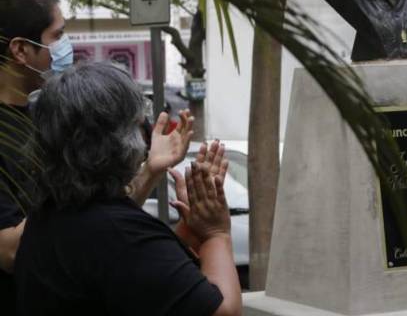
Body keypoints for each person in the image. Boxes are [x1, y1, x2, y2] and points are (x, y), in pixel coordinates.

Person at [0, 0, 193, 315]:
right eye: (57, 36)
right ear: (20, 50)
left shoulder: (53, 112)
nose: (66, 46)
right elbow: (12, 252)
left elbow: (92, 215)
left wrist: (150, 169)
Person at [14, 62, 241, 315]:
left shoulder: (49, 215)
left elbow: (141, 270)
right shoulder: (115, 233)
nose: (145, 134)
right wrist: (215, 232)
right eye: (138, 123)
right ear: (119, 139)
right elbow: (222, 311)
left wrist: (192, 225)